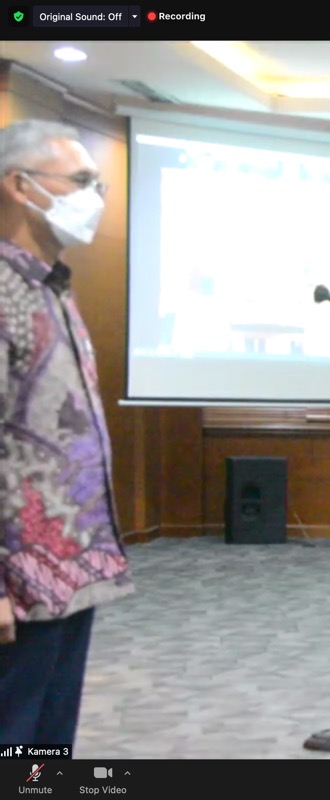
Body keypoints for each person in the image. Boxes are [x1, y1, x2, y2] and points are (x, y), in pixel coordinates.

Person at [0, 119, 134, 750]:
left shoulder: (53, 287)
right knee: (14, 738)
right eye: (81, 181)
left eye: (98, 184)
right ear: (21, 187)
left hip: (70, 569)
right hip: (18, 576)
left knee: (49, 746)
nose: (95, 199)